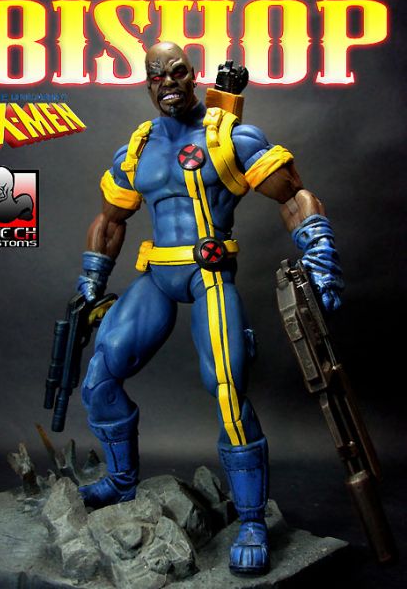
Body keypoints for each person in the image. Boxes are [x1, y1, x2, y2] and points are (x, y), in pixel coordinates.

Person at [76, 41, 343, 575]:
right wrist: (92, 277)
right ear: (147, 84)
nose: (168, 83)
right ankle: (122, 481)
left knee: (226, 388)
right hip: (158, 275)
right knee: (100, 374)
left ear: (193, 74)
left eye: (177, 72)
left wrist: (320, 253)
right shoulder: (137, 147)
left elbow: (293, 194)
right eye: (157, 76)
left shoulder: (229, 137)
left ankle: (251, 520)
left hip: (209, 274)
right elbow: (110, 219)